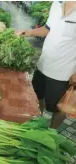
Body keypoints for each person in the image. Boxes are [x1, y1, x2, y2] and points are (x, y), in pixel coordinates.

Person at [16, 1, 76, 129]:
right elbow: (47, 29)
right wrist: (28, 32)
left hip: (63, 72)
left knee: (58, 107)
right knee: (37, 97)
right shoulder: (57, 4)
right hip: (43, 64)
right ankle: (39, 122)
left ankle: (52, 131)